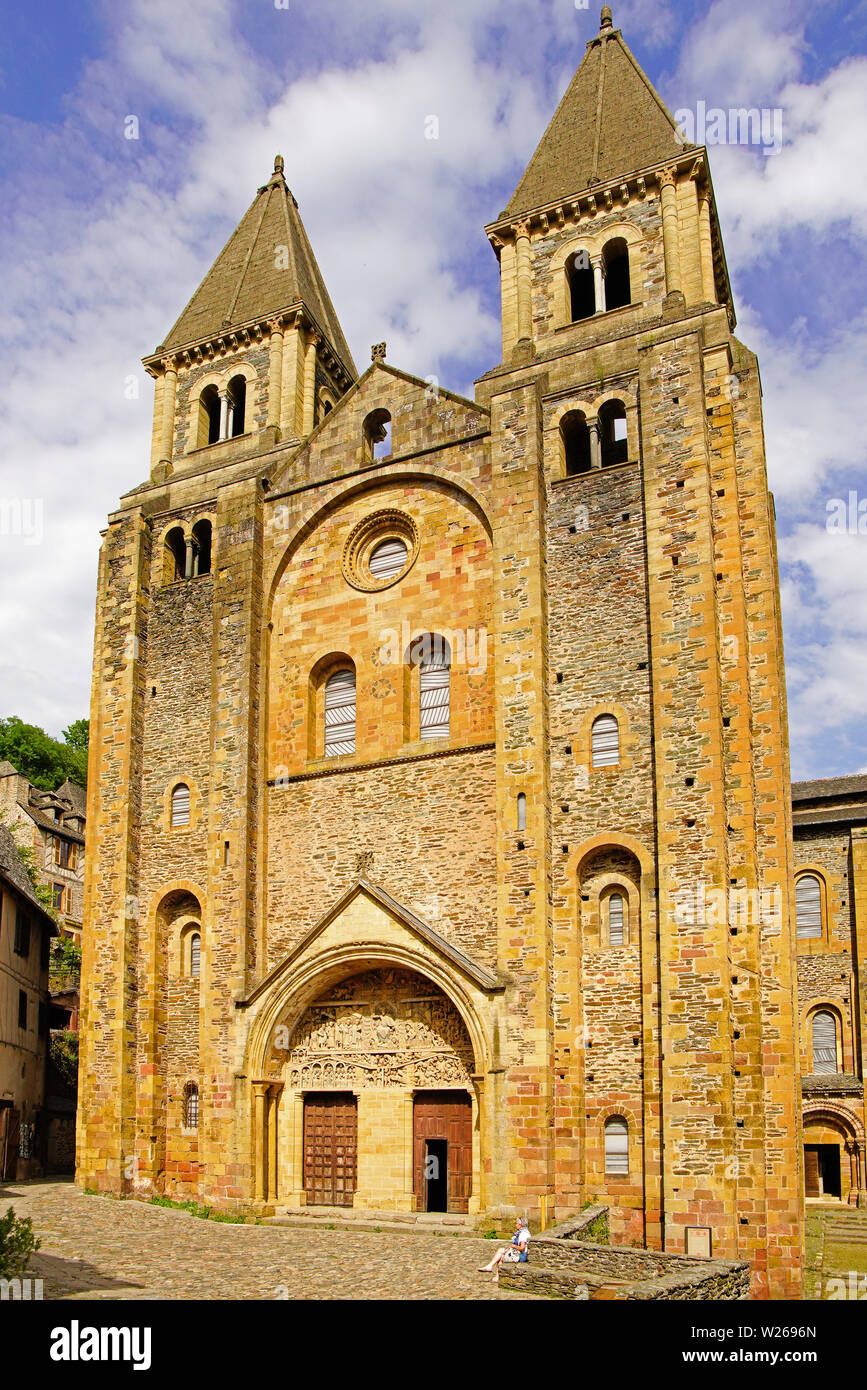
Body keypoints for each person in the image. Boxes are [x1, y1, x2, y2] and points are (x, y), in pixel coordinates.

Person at [478, 1216, 530, 1283]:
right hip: (517, 1253)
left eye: (516, 1223)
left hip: (520, 1256)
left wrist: (513, 1246)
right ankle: (493, 1271)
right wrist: (508, 1249)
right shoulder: (522, 1232)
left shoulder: (523, 1234)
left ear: (520, 1225)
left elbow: (522, 1247)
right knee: (501, 1251)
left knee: (500, 1257)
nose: (515, 1225)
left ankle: (493, 1271)